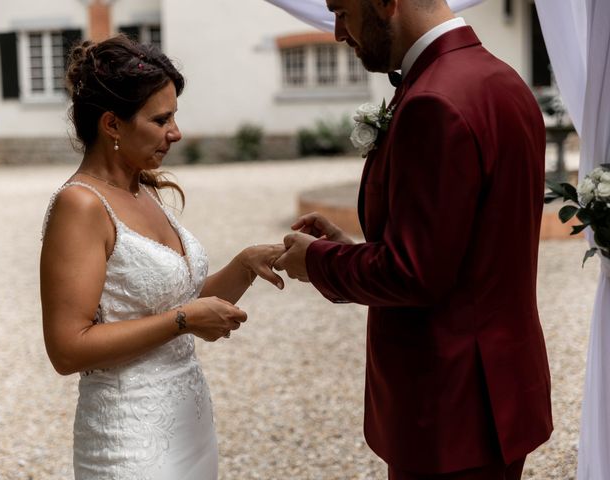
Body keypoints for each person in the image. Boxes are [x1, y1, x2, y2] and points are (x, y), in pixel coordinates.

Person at [274, 0, 553, 478]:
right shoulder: (502, 79)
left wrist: (319, 261)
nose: (338, 32)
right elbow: (464, 246)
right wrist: (352, 248)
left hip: (450, 404)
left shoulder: (433, 100)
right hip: (500, 387)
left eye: (342, 11)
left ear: (386, 4)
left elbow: (416, 274)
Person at [40, 35, 285, 480]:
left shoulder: (143, 187)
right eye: (161, 119)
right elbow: (67, 348)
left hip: (188, 422)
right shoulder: (80, 206)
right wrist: (185, 322)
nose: (176, 132)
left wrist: (245, 264)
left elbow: (174, 301)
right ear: (112, 125)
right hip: (129, 439)